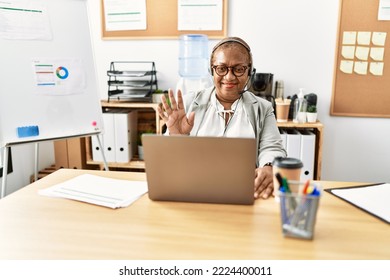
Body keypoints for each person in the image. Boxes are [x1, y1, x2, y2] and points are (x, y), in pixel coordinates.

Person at [157, 37, 286, 199]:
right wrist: (176, 137)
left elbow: (272, 147)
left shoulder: (263, 108)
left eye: (238, 69)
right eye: (221, 68)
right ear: (212, 70)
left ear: (249, 72)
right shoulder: (188, 103)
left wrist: (268, 166)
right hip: (194, 191)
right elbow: (166, 162)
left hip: (246, 192)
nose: (229, 77)